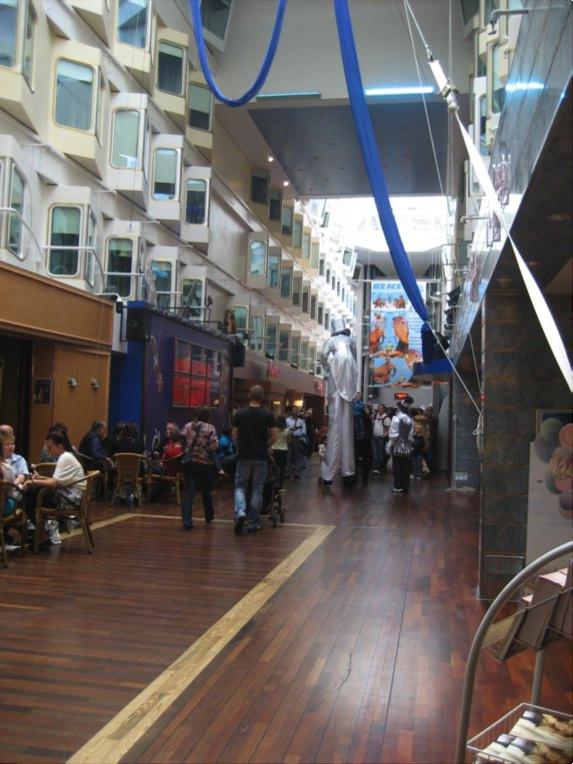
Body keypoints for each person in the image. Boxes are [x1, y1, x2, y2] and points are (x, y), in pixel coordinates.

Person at [22, 430, 86, 545]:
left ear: (60, 446)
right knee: (33, 493)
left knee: (30, 494)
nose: (48, 451)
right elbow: (57, 481)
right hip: (71, 496)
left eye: (50, 448)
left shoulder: (65, 458)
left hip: (69, 500)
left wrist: (32, 481)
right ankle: (42, 530)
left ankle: (41, 531)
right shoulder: (68, 456)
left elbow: (54, 483)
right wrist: (40, 478)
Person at [319, 318, 360, 487]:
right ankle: (348, 470)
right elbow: (355, 359)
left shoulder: (331, 341)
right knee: (346, 426)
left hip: (335, 382)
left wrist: (328, 368)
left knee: (335, 425)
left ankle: (328, 473)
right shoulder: (351, 341)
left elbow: (323, 356)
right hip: (348, 383)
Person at [232, 385, 277, 534]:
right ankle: (253, 522)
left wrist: (239, 446)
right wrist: (265, 446)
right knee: (257, 488)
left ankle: (240, 511)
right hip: (261, 457)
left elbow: (234, 435)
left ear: (249, 395)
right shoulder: (268, 415)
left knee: (240, 486)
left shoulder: (240, 413)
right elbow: (274, 437)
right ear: (262, 397)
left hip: (244, 455)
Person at [180, 409, 219, 529]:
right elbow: (213, 447)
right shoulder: (210, 428)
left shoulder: (188, 426)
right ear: (208, 417)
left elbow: (181, 441)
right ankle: (209, 515)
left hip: (189, 463)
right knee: (206, 491)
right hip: (204, 464)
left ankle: (187, 521)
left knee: (189, 492)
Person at [388, 396, 414, 494]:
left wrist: (390, 445)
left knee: (397, 467)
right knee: (405, 467)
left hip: (397, 446)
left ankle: (397, 486)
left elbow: (394, 434)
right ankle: (405, 486)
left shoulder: (397, 418)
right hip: (407, 446)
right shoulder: (410, 419)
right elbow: (411, 435)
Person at [353, 400, 372, 485]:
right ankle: (363, 478)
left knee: (359, 460)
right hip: (363, 442)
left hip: (360, 442)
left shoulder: (359, 418)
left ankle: (360, 478)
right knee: (362, 461)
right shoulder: (364, 418)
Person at [286, 406, 307, 479]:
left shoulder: (301, 421)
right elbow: (286, 430)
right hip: (289, 439)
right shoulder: (287, 420)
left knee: (298, 456)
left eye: (297, 410)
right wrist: (291, 431)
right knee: (289, 455)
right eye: (294, 410)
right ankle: (288, 472)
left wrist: (301, 436)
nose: (296, 412)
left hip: (298, 439)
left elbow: (304, 431)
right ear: (291, 411)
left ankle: (297, 472)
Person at [371, 404, 392, 475]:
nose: (379, 409)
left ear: (384, 409)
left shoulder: (386, 418)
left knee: (380, 454)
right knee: (375, 453)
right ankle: (375, 468)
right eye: (378, 408)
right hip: (374, 437)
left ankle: (379, 468)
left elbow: (388, 429)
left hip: (381, 438)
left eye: (381, 408)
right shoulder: (375, 416)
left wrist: (384, 435)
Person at [271, 415, 290, 489]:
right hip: (283, 450)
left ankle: (274, 484)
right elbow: (289, 441)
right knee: (282, 469)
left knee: (274, 468)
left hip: (274, 449)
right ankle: (280, 485)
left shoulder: (274, 430)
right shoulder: (287, 430)